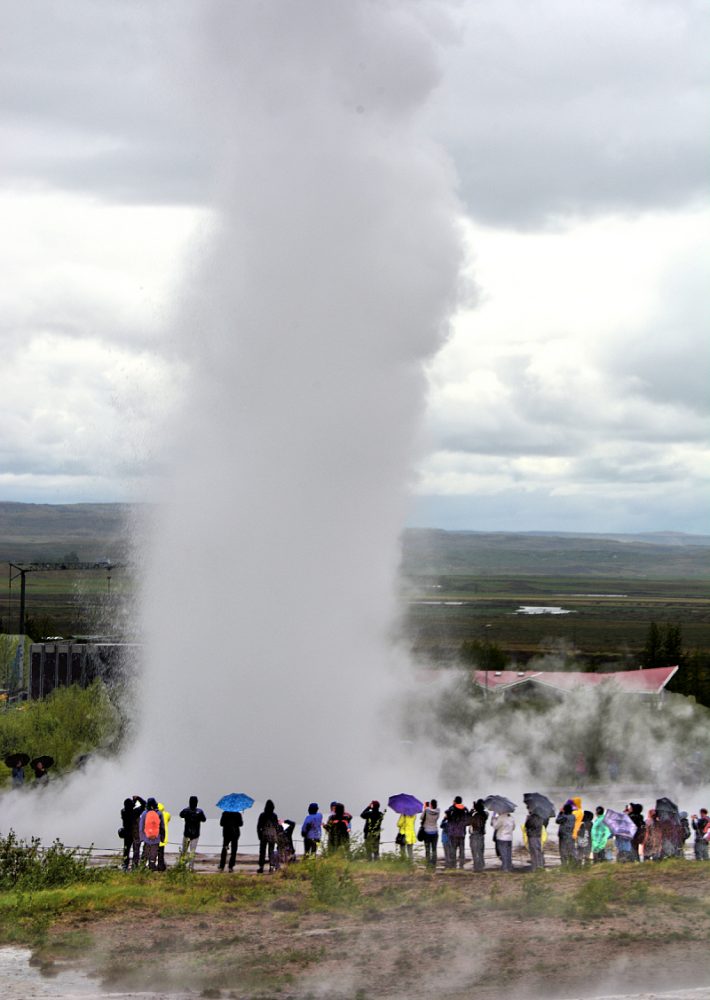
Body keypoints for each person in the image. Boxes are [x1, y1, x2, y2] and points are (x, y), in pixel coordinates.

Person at [179, 795, 207, 870]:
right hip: (193, 834)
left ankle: (182, 865)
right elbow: (204, 819)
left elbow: (180, 815)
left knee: (184, 851)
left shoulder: (187, 810)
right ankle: (190, 867)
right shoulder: (199, 811)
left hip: (189, 834)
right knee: (191, 851)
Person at [120, 795, 145, 871]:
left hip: (126, 834)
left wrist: (133, 802)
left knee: (126, 850)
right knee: (135, 850)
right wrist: (138, 798)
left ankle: (125, 865)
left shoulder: (123, 812)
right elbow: (144, 804)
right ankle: (135, 865)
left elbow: (129, 807)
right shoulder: (135, 812)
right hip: (134, 833)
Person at [139, 797, 165, 871]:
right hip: (156, 838)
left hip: (147, 838)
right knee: (153, 855)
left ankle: (142, 868)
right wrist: (162, 837)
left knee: (145, 854)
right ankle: (152, 867)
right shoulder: (159, 813)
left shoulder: (144, 813)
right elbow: (162, 827)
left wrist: (142, 838)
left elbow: (141, 827)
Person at [445, 797, 469, 869]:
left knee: (453, 850)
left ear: (455, 801)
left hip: (453, 833)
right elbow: (467, 821)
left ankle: (453, 865)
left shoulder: (451, 809)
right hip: (462, 833)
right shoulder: (465, 809)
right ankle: (461, 865)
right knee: (462, 850)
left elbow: (448, 819)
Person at [257, 799, 279, 872]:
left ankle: (261, 867)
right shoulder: (274, 815)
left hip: (264, 835)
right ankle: (271, 867)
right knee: (271, 851)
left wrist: (259, 835)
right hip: (272, 835)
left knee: (262, 852)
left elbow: (259, 826)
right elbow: (276, 826)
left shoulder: (262, 815)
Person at [469, 799, 488, 872]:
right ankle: (481, 866)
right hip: (481, 835)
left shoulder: (475, 815)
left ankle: (477, 866)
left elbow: (468, 821)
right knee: (480, 851)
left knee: (475, 851)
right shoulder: (485, 814)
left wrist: (472, 810)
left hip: (475, 834)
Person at [421, 799, 440, 868]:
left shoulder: (426, 810)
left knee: (427, 849)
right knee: (434, 849)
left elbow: (421, 817)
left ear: (431, 804)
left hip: (427, 832)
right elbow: (437, 818)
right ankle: (434, 863)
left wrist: (425, 808)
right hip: (435, 832)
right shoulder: (438, 811)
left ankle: (428, 863)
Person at [157, 801, 171, 872]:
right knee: (161, 853)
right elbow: (168, 819)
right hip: (163, 836)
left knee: (152, 852)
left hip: (155, 836)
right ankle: (161, 866)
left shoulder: (155, 814)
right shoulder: (167, 814)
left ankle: (156, 865)